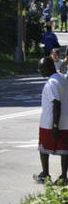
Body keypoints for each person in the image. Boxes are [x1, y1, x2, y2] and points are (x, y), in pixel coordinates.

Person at [35, 57, 68, 186]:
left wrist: (55, 125)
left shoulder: (52, 82)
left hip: (49, 122)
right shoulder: (62, 78)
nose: (39, 71)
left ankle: (45, 174)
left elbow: (56, 103)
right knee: (65, 150)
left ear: (48, 67)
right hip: (65, 121)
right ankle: (64, 176)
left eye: (41, 68)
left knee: (43, 148)